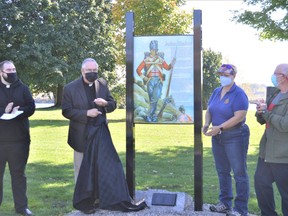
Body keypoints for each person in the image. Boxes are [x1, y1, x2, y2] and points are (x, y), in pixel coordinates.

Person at [62, 58, 146, 214]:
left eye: (95, 71)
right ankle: (84, 203)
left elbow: (113, 104)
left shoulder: (102, 84)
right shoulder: (70, 88)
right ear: (82, 71)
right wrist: (86, 113)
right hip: (81, 136)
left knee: (104, 166)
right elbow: (66, 111)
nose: (93, 73)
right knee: (82, 170)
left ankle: (101, 198)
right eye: (89, 71)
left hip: (100, 134)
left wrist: (105, 104)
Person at [202, 64, 250, 216]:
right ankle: (225, 203)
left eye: (226, 74)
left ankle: (240, 209)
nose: (222, 77)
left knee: (239, 173)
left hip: (235, 136)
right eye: (220, 74)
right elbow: (210, 109)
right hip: (218, 137)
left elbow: (239, 116)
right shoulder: (217, 91)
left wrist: (220, 127)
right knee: (222, 171)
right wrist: (206, 124)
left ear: (233, 75)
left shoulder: (239, 94)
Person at [0, 60, 35, 216]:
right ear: (1, 72)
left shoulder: (23, 88)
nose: (12, 72)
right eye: (9, 69)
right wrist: (4, 111)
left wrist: (19, 109)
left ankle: (21, 207)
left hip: (19, 141)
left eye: (14, 69)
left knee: (19, 175)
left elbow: (31, 106)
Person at [254, 63, 288, 216]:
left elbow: (284, 125)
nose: (274, 76)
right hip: (267, 152)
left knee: (286, 194)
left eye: (276, 73)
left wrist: (267, 114)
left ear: (285, 76)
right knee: (261, 184)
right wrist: (261, 112)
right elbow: (265, 120)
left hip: (283, 155)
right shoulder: (275, 93)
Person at [136, 40, 176, 122]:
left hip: (158, 81)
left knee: (155, 99)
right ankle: (153, 116)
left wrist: (172, 63)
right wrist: (144, 77)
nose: (154, 51)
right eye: (153, 50)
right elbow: (138, 70)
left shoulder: (160, 60)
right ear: (150, 50)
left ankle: (149, 115)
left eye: (155, 50)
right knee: (152, 100)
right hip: (150, 81)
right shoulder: (146, 60)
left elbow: (167, 68)